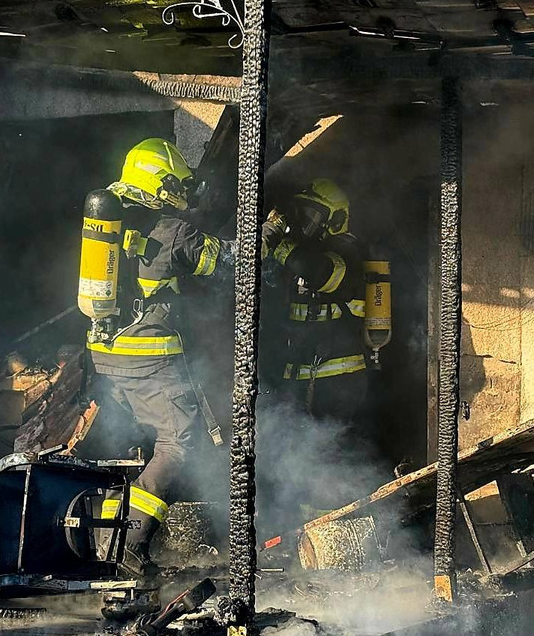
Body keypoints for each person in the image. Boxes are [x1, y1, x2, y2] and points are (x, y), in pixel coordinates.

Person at [81, 138, 234, 577]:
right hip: (150, 358)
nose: (182, 192)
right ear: (158, 183)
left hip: (105, 357)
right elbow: (228, 263)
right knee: (177, 444)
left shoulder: (108, 225)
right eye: (176, 184)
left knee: (129, 449)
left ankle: (105, 543)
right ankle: (129, 546)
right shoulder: (172, 230)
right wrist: (269, 235)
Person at [261, 178, 369, 430]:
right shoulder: (299, 254)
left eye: (311, 215)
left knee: (335, 445)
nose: (304, 223)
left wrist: (280, 246)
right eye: (300, 214)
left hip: (339, 381)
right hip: (301, 377)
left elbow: (322, 273)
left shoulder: (348, 251)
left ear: (336, 219)